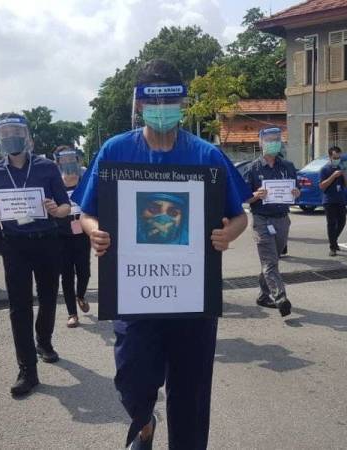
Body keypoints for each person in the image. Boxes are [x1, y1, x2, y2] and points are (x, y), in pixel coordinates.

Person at [74, 59, 248, 449]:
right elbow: (87, 211)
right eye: (155, 101)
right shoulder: (115, 151)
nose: (163, 109)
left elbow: (239, 217)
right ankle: (143, 419)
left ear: (182, 103)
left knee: (191, 392)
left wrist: (226, 234)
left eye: (172, 99)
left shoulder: (206, 156)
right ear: (139, 105)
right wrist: (94, 232)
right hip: (136, 295)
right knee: (133, 377)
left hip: (193, 298)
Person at [0, 113, 70, 397]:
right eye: (5, 132)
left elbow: (66, 207)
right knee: (19, 306)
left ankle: (43, 340)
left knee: (48, 297)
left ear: (26, 135)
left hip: (46, 240)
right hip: (14, 245)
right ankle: (27, 370)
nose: (11, 136)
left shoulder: (46, 168)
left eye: (15, 131)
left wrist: (56, 210)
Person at [245, 127, 300, 317]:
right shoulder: (253, 169)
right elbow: (243, 198)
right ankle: (280, 297)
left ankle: (263, 295)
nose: (273, 142)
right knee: (269, 261)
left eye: (277, 139)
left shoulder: (288, 167)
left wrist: (296, 193)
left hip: (282, 220)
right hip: (262, 219)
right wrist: (255, 195)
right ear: (260, 143)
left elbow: (296, 193)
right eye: (269, 139)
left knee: (271, 260)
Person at [53, 146, 91, 328]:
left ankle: (81, 295)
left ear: (76, 159)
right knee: (66, 275)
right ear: (58, 161)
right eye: (64, 159)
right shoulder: (54, 181)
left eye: (71, 158)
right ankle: (72, 314)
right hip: (61, 233)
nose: (68, 162)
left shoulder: (85, 177)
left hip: (82, 230)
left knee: (84, 271)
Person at [319, 146, 347, 256]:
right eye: (335, 157)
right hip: (329, 200)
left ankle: (334, 240)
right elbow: (322, 186)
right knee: (331, 223)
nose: (337, 159)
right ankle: (333, 247)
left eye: (339, 157)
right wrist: (333, 176)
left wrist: (345, 175)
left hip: (340, 199)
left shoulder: (342, 167)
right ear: (330, 157)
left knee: (342, 222)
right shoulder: (324, 169)